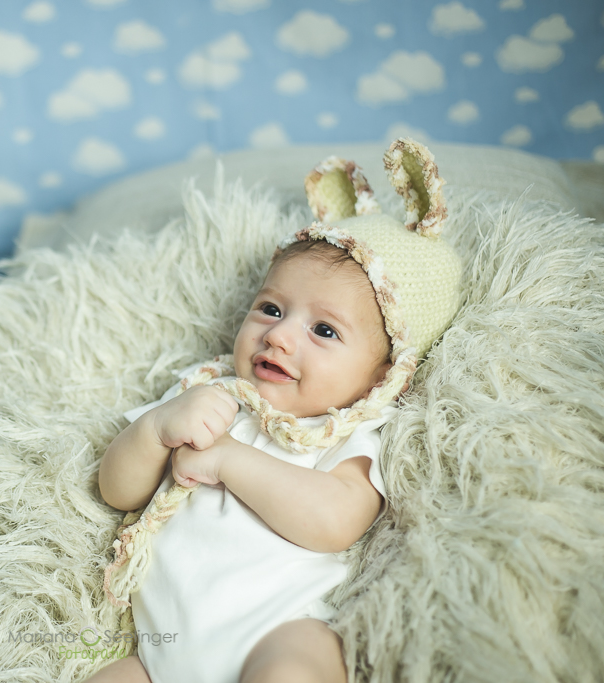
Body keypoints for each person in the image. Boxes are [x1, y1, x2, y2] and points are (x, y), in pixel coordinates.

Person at [88, 140, 464, 683]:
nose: (280, 335)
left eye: (324, 330)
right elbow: (116, 491)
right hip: (158, 655)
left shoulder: (345, 429)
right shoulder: (208, 394)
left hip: (278, 629)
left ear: (382, 376)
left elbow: (336, 521)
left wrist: (227, 461)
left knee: (291, 670)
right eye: (270, 308)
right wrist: (156, 430)